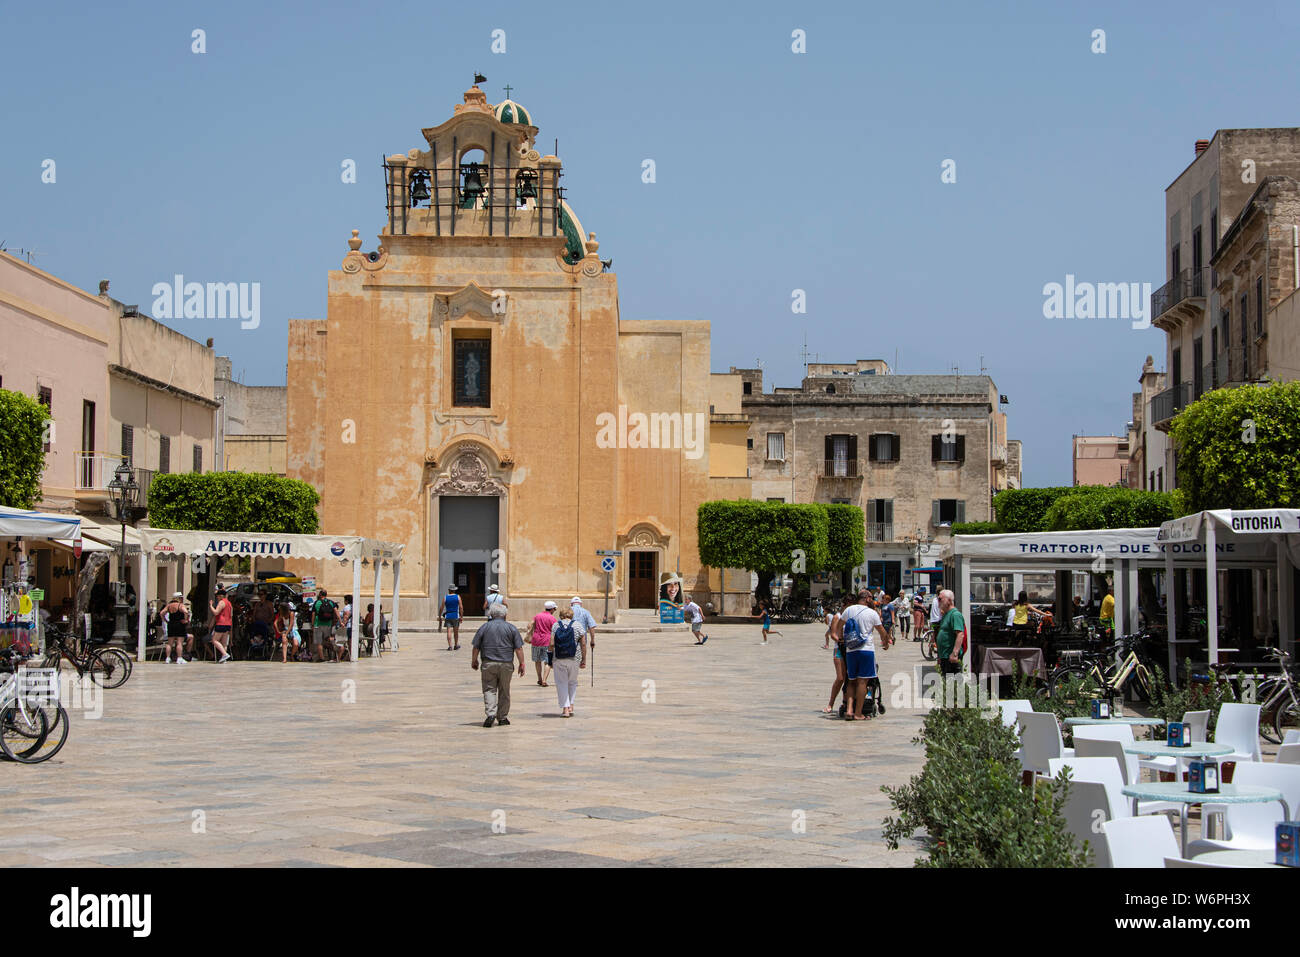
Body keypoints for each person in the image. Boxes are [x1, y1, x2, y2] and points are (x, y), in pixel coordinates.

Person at [835, 589, 890, 720]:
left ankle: (849, 710)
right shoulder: (872, 613)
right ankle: (858, 713)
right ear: (867, 599)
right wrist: (886, 643)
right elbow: (882, 631)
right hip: (866, 650)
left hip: (851, 650)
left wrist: (842, 639)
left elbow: (839, 626)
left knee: (851, 681)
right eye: (871, 597)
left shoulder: (849, 610)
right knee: (862, 682)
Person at [470, 603, 525, 727]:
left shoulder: (484, 627)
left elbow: (476, 647)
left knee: (489, 689)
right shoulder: (511, 628)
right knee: (504, 690)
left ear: (491, 614)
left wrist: (474, 660)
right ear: (505, 614)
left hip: (488, 663)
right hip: (506, 663)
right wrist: (522, 663)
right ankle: (503, 717)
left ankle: (491, 714)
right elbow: (519, 648)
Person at [550, 606, 588, 717]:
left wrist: (550, 659)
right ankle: (571, 705)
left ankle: (565, 709)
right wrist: (583, 659)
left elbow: (551, 644)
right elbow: (583, 644)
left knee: (561, 683)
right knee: (572, 682)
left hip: (559, 658)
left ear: (561, 615)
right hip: (574, 658)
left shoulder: (556, 625)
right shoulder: (578, 625)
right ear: (571, 615)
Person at [822, 598, 847, 713]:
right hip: (839, 648)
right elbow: (833, 635)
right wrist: (842, 641)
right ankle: (830, 704)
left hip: (851, 649)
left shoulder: (853, 615)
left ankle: (846, 703)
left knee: (849, 678)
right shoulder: (838, 616)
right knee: (840, 677)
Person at [935, 588, 967, 676]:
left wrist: (954, 653)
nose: (938, 601)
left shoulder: (955, 615)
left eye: (940, 599)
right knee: (947, 684)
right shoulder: (946, 614)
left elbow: (960, 634)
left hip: (951, 658)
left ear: (949, 601)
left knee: (952, 686)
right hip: (945, 657)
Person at [530, 600, 558, 686]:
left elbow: (530, 624)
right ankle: (544, 680)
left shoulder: (537, 616)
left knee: (537, 661)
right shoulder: (552, 618)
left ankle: (539, 678)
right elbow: (556, 630)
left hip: (536, 640)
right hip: (547, 641)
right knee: (547, 661)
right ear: (552, 609)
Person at [311, 589, 339, 662]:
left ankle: (322, 658)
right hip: (328, 624)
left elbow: (313, 614)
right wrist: (340, 621)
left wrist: (312, 624)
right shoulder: (331, 602)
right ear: (326, 595)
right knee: (328, 639)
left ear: (320, 595)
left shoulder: (317, 603)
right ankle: (333, 648)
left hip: (318, 624)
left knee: (319, 642)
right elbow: (336, 612)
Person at [162, 592, 189, 665]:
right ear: (178, 598)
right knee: (179, 642)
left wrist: (165, 620)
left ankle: (167, 658)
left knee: (169, 643)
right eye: (180, 598)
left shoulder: (169, 606)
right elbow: (186, 612)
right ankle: (179, 658)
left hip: (171, 624)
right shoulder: (180, 605)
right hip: (179, 624)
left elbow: (162, 613)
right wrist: (186, 619)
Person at [209, 587, 233, 663]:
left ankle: (224, 654)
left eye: (218, 596)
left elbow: (216, 612)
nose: (217, 597)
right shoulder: (229, 603)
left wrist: (211, 606)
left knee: (214, 640)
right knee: (224, 643)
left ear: (221, 596)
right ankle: (224, 659)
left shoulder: (222, 602)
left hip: (221, 623)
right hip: (228, 624)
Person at [439, 584, 462, 651]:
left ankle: (450, 646)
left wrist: (440, 615)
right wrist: (461, 616)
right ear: (454, 590)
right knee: (456, 631)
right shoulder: (458, 597)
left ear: (449, 590)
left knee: (449, 631)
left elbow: (441, 607)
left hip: (448, 616)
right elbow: (461, 607)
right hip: (455, 616)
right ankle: (456, 644)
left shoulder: (445, 597)